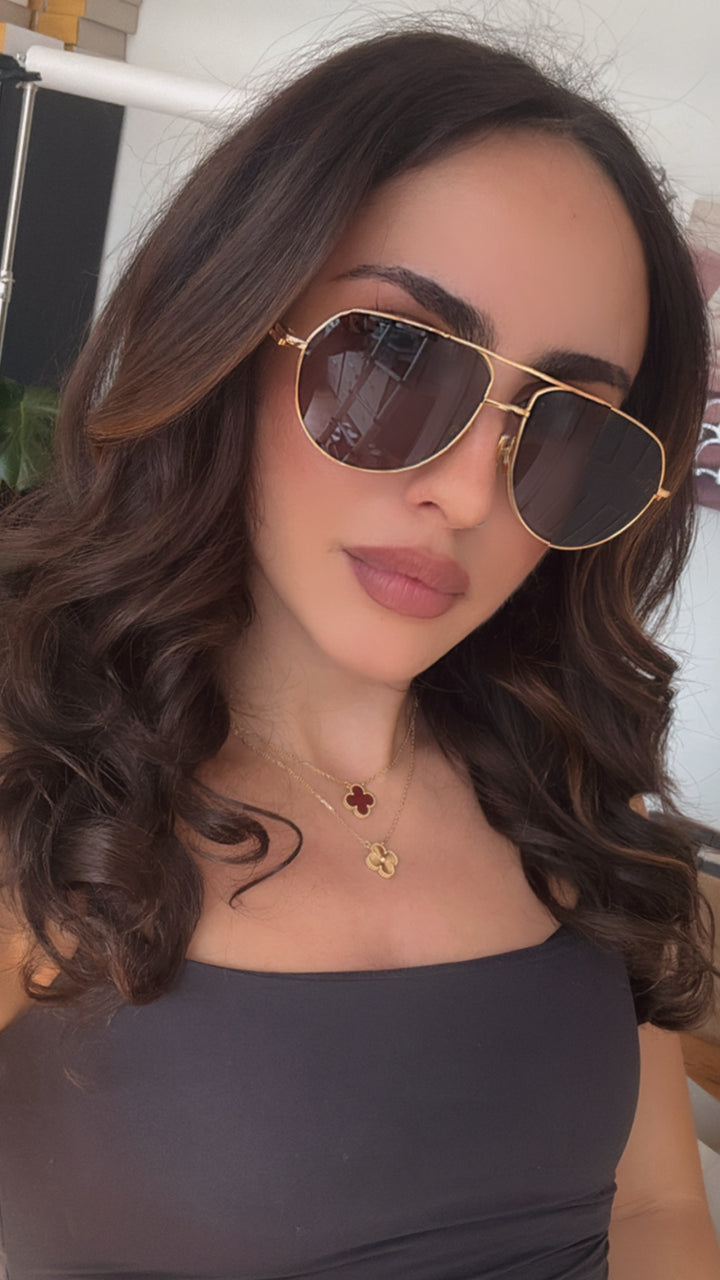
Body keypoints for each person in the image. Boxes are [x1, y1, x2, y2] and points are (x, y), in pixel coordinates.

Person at [0, 24, 718, 1280]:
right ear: (229, 328)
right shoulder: (39, 789)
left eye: (565, 427)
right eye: (395, 356)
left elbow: (655, 1204)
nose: (469, 492)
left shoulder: (569, 784)